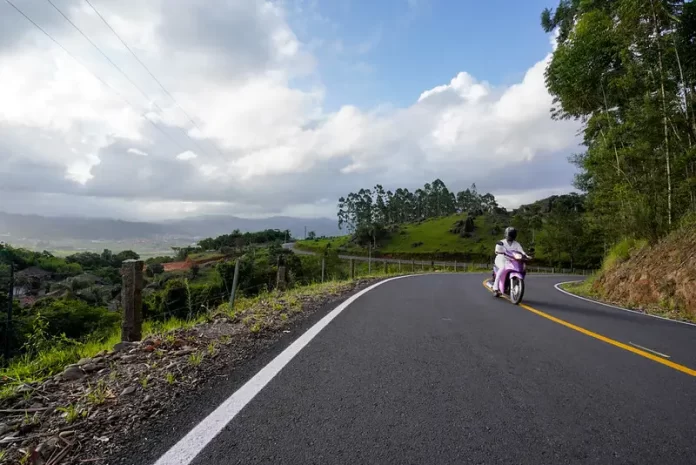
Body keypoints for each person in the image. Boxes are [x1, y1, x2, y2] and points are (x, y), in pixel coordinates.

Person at [493, 226, 526, 296]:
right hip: (501, 258)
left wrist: (526, 255)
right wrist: (499, 252)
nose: (510, 237)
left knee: (522, 268)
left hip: (511, 260)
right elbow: (497, 251)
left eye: (512, 235)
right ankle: (495, 288)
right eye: (509, 235)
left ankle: (512, 284)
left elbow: (521, 251)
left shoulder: (516, 244)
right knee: (502, 269)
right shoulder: (501, 242)